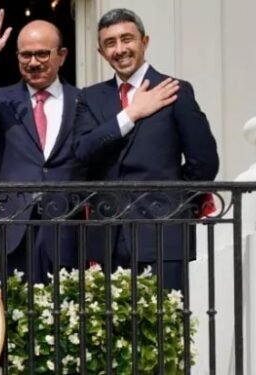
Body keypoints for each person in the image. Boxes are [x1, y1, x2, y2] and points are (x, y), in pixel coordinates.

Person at [73, 8, 219, 290]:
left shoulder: (175, 90)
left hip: (163, 234)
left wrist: (174, 204)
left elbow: (204, 162)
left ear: (144, 41)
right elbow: (82, 151)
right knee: (110, 331)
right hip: (108, 239)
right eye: (110, 43)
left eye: (126, 39)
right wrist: (131, 114)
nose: (120, 49)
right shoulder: (90, 98)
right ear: (101, 52)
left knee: (166, 331)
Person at [0, 5, 85, 283]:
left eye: (42, 53)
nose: (34, 62)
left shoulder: (84, 102)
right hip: (7, 229)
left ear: (62, 56)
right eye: (26, 55)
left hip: (65, 230)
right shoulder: (2, 100)